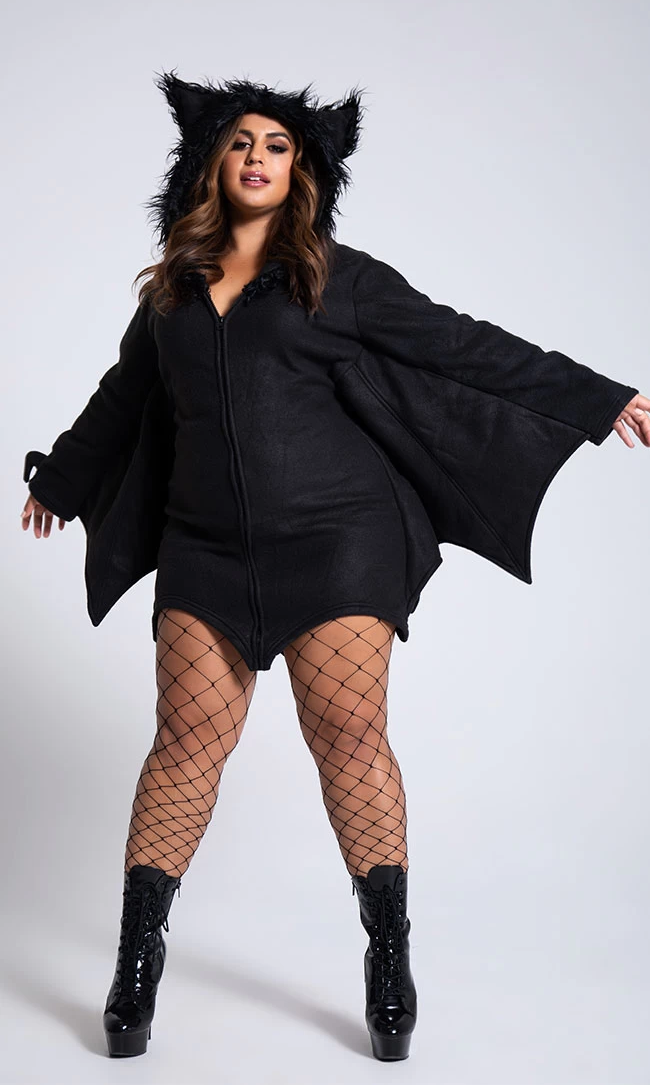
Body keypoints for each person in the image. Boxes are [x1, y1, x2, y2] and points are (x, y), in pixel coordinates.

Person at [20, 72, 649, 1064]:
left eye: (277, 145)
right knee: (183, 743)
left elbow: (466, 346)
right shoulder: (171, 291)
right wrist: (60, 480)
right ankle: (137, 961)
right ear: (210, 164)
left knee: (349, 739)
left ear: (300, 170)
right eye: (241, 142)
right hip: (204, 546)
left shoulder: (338, 277)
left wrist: (595, 398)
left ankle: (387, 957)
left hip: (338, 541)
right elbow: (122, 398)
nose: (258, 157)